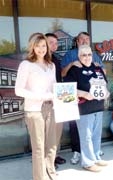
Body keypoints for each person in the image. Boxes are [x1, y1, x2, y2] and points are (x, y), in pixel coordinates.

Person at [15, 33, 57, 180]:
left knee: (52, 145)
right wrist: (42, 96)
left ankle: (51, 173)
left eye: (43, 45)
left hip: (51, 108)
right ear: (32, 47)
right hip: (34, 110)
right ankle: (40, 177)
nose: (41, 49)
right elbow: (18, 90)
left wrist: (65, 96)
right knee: (39, 147)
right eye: (37, 46)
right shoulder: (26, 65)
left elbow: (54, 87)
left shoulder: (51, 65)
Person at [61, 31, 105, 165]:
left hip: (97, 106)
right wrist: (84, 94)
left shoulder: (96, 66)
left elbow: (104, 82)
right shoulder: (72, 63)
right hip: (82, 106)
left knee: (96, 135)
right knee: (83, 134)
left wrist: (105, 92)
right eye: (84, 55)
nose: (87, 57)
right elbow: (65, 84)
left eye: (89, 54)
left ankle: (96, 156)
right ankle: (86, 160)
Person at [45, 33, 66, 168]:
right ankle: (47, 159)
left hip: (58, 97)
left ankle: (55, 154)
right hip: (46, 100)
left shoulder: (56, 59)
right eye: (51, 42)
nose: (54, 45)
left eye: (56, 43)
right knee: (48, 131)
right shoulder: (41, 60)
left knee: (58, 129)